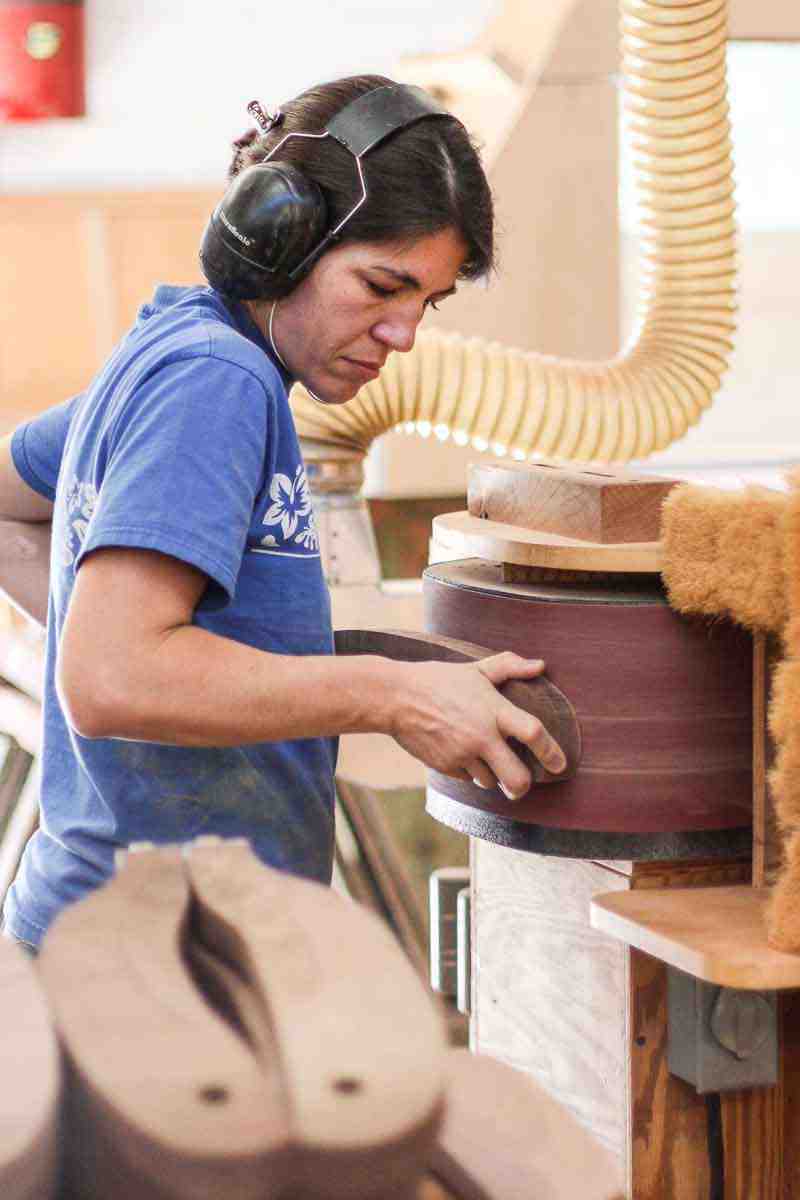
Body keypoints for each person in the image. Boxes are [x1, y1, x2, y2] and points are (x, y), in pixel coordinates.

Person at [0, 74, 565, 954]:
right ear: (276, 237)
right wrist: (393, 696)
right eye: (382, 285)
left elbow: (10, 513)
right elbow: (111, 679)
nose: (405, 334)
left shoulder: (173, 350)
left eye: (427, 301)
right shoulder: (215, 382)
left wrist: (92, 622)